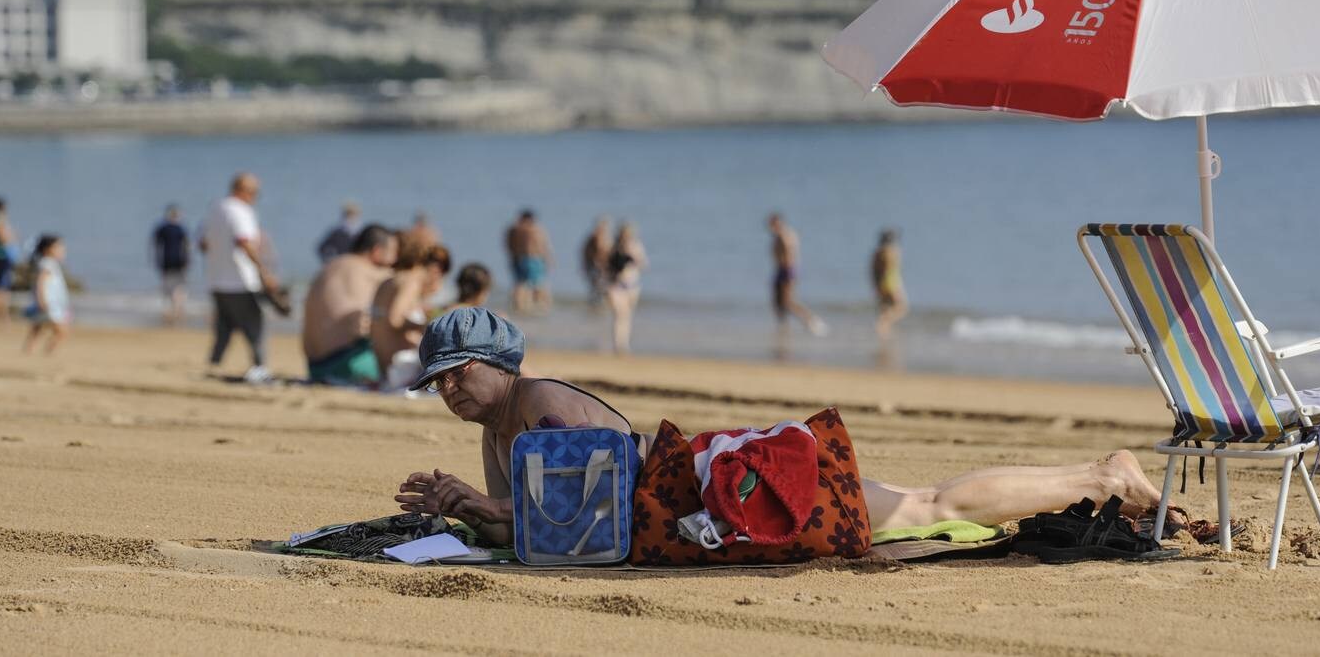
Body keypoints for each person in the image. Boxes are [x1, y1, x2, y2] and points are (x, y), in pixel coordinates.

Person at [394, 308, 1167, 546]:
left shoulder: (538, 407)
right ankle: (1098, 475)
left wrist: (474, 504)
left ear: (501, 363)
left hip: (725, 492)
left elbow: (591, 514)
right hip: (703, 499)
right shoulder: (496, 431)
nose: (449, 389)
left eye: (459, 372)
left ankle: (1103, 476)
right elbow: (533, 535)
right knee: (922, 507)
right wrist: (466, 508)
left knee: (928, 507)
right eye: (438, 381)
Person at [200, 173, 276, 384]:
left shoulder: (215, 208)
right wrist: (264, 271)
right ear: (244, 191)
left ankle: (213, 365)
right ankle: (260, 368)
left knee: (224, 327)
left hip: (216, 280)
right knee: (255, 326)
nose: (256, 197)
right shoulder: (241, 211)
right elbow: (244, 242)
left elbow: (203, 244)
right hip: (240, 281)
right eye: (255, 193)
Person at [302, 223, 398, 386]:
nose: (395, 260)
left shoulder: (329, 267)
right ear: (377, 251)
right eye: (394, 253)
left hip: (315, 367)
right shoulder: (374, 273)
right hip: (349, 364)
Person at [372, 235, 451, 392]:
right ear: (435, 270)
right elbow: (395, 320)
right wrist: (426, 326)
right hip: (397, 367)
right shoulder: (412, 281)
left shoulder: (391, 280)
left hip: (382, 367)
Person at [767, 213, 827, 336]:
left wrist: (788, 272)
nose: (770, 228)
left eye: (772, 224)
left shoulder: (786, 235)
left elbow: (790, 254)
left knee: (788, 301)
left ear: (778, 223)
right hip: (780, 270)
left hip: (787, 271)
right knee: (778, 302)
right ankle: (782, 328)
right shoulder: (778, 236)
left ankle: (812, 320)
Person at [22, 234, 70, 355]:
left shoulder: (47, 263)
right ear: (47, 249)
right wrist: (41, 299)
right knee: (61, 331)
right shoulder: (47, 263)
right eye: (58, 247)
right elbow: (40, 282)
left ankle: (29, 350)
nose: (62, 250)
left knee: (37, 327)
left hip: (49, 303)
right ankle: (48, 352)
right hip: (49, 303)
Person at [606, 223, 646, 355]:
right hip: (616, 287)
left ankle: (624, 344)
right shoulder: (614, 247)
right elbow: (606, 265)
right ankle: (619, 346)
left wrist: (633, 257)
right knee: (620, 315)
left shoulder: (636, 247)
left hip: (632, 287)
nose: (626, 236)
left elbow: (643, 264)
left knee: (626, 317)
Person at [504, 209, 552, 314]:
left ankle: (519, 307)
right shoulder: (534, 229)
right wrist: (548, 260)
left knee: (519, 284)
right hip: (533, 258)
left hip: (517, 258)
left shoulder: (513, 229)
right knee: (538, 284)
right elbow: (542, 245)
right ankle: (543, 308)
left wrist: (512, 257)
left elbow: (508, 245)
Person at [151, 204, 191, 324]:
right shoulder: (180, 228)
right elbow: (187, 246)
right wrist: (188, 260)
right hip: (179, 260)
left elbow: (155, 245)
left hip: (166, 260)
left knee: (167, 285)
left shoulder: (162, 228)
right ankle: (177, 308)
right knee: (179, 286)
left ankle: (169, 308)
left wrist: (156, 260)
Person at [871, 229, 909, 338]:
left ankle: (884, 333)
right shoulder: (890, 252)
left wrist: (876, 285)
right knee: (901, 308)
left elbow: (873, 272)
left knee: (885, 308)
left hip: (881, 284)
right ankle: (882, 324)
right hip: (891, 284)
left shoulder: (877, 254)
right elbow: (891, 271)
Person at [580, 216, 613, 308]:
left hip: (598, 267)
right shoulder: (596, 237)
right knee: (600, 288)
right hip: (597, 267)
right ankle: (596, 306)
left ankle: (596, 306)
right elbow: (598, 253)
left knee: (599, 288)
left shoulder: (604, 236)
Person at [0, 198, 14, 324]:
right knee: (1, 287)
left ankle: (4, 316)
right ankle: (4, 317)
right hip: (0, 256)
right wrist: (12, 236)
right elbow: (4, 238)